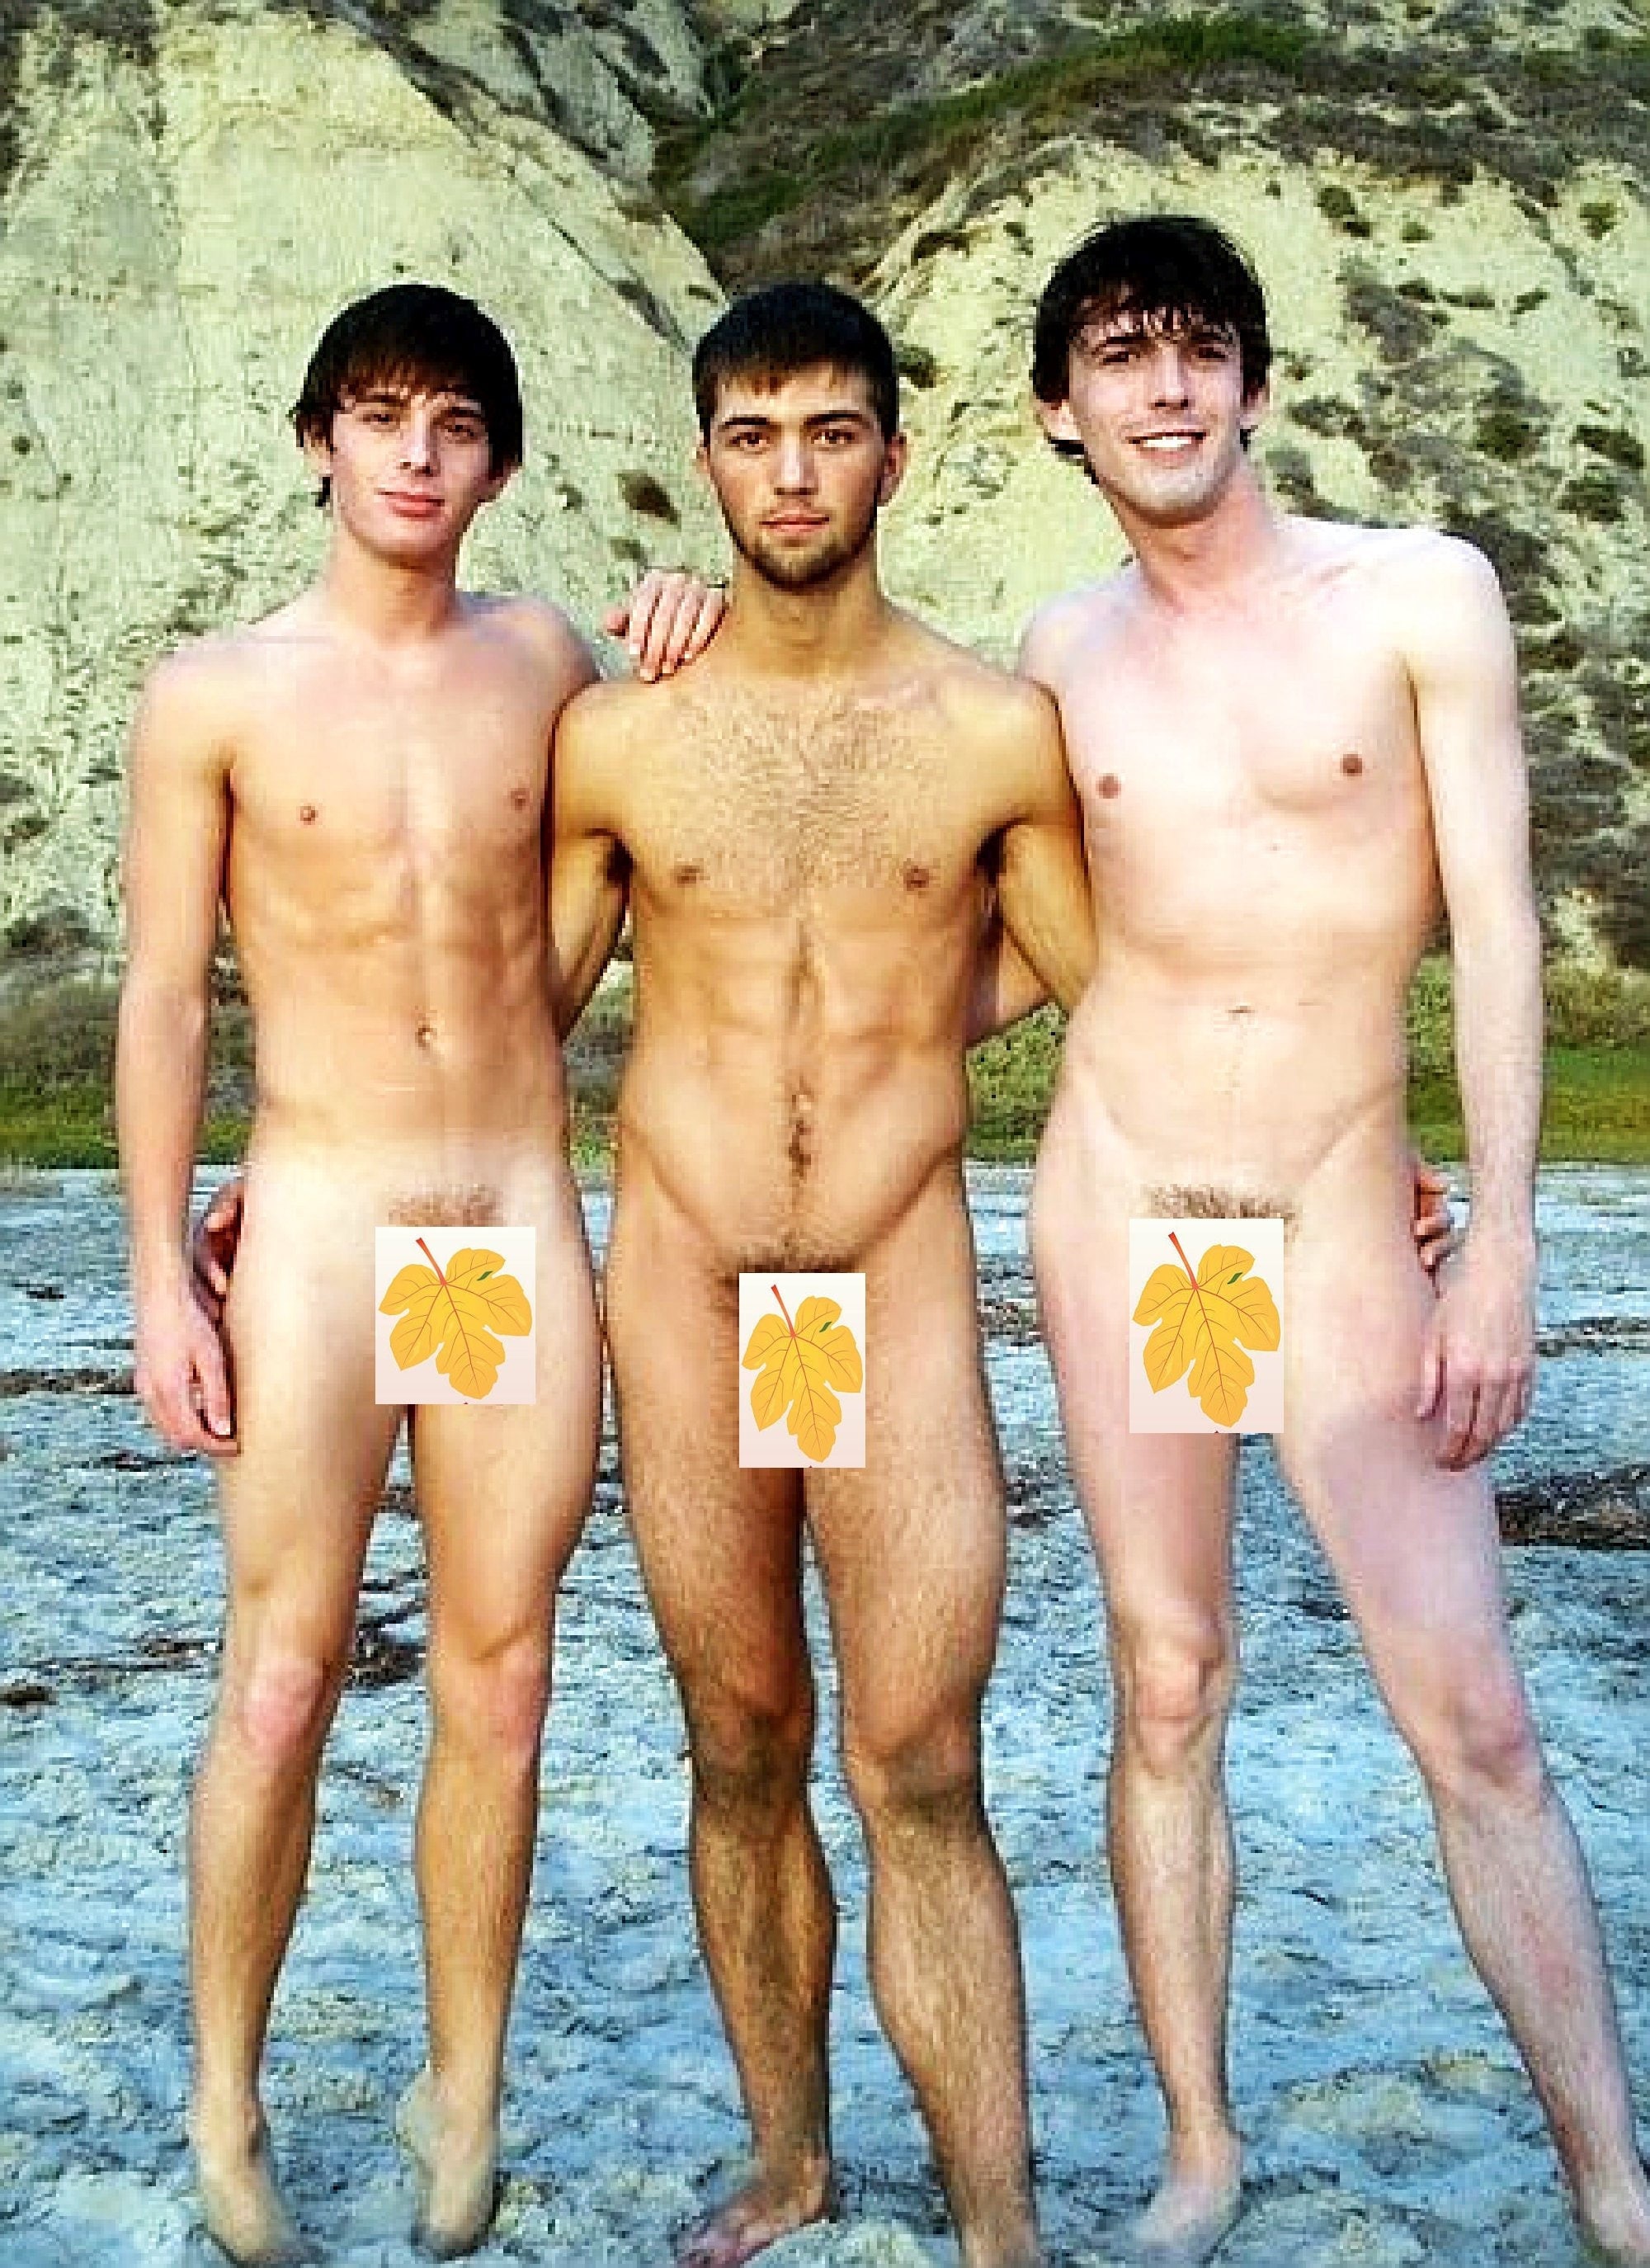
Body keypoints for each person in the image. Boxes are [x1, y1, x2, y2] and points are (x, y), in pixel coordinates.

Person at [1021, 214, 1650, 2267]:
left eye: (1198, 346)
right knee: (1170, 1678)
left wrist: (1504, 1240)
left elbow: (1499, 931)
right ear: (1058, 413)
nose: (1165, 385)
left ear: (1257, 382)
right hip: (1137, 1207)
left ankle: (1610, 2179)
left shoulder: (1413, 595)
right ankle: (1201, 2149)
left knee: (1472, 1709)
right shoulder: (1056, 652)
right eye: (1120, 356)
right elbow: (993, 943)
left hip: (1333, 1210)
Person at [116, 280, 719, 2266]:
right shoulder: (214, 692)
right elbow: (161, 1001)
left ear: (499, 464)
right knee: (284, 1671)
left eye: (454, 424)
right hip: (318, 1218)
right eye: (379, 414)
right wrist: (159, 1275)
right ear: (319, 440)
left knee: (502, 1671)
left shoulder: (541, 659)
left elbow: (661, 816)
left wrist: (685, 616)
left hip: (496, 1224)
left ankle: (462, 2088)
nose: (414, 453)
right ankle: (227, 2101)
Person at [546, 281, 1097, 2268]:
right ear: (705, 461)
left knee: (920, 1753)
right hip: (691, 1282)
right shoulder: (616, 736)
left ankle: (998, 2222)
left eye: (832, 431)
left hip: (880, 1276)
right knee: (742, 1733)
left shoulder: (991, 728)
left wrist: (911, 1040)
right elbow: (508, 1015)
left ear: (894, 456)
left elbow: (1115, 989)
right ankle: (790, 2160)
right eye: (754, 435)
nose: (793, 473)